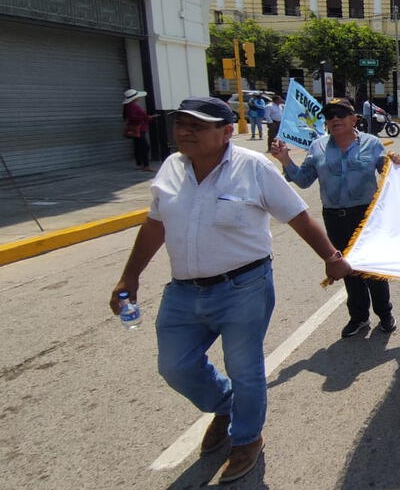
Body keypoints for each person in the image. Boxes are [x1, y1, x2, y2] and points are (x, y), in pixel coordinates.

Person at [109, 96, 351, 484]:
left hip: (244, 287)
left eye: (197, 125)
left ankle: (247, 439)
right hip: (183, 292)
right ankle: (226, 406)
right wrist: (129, 277)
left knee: (245, 368)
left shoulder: (252, 168)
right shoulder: (171, 167)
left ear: (226, 132)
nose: (185, 131)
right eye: (181, 123)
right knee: (175, 366)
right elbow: (155, 224)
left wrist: (331, 256)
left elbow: (298, 216)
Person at [270, 97, 400, 338]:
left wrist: (395, 164)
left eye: (341, 114)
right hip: (335, 217)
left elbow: (389, 173)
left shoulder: (371, 144)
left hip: (366, 216)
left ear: (354, 119)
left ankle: (385, 314)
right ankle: (359, 317)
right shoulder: (318, 146)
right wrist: (285, 160)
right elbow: (303, 180)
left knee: (373, 270)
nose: (335, 119)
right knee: (347, 269)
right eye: (330, 115)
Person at [123, 88, 154, 172]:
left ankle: (140, 164)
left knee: (138, 146)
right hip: (139, 129)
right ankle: (146, 166)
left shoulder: (128, 106)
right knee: (145, 147)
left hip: (137, 128)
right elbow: (134, 118)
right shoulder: (132, 106)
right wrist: (147, 117)